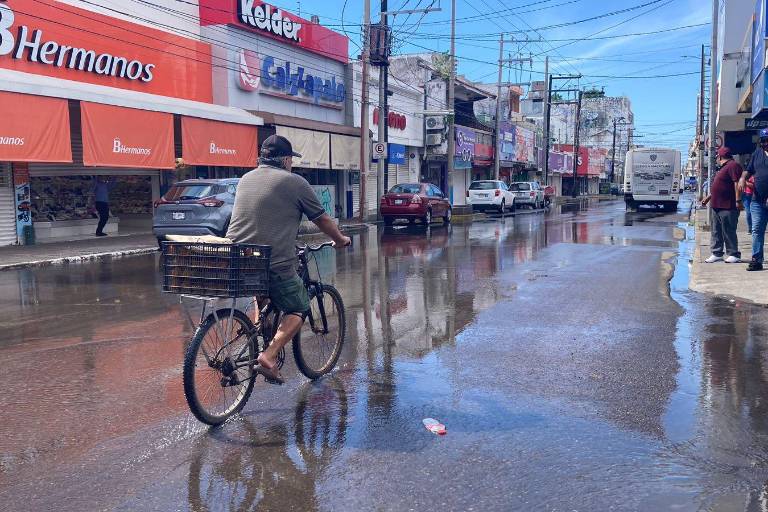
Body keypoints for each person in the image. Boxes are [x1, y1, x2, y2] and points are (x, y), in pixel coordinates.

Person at [226, 135, 351, 384]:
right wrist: (339, 239)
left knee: (262, 292)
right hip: (273, 262)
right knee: (299, 307)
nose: (291, 164)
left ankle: (259, 336)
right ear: (285, 160)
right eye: (290, 160)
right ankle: (269, 356)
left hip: (238, 258)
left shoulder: (245, 179)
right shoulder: (295, 182)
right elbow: (322, 219)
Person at [701, 146, 743, 263]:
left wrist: (738, 200)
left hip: (728, 205)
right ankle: (717, 253)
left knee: (728, 230)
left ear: (720, 156)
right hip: (716, 205)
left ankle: (733, 253)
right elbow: (718, 186)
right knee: (716, 230)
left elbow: (737, 184)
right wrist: (708, 198)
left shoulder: (733, 166)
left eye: (717, 157)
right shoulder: (723, 168)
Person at [740, 128, 768, 271]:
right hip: (757, 201)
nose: (766, 143)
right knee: (757, 230)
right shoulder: (757, 154)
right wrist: (742, 178)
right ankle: (756, 260)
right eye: (763, 141)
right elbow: (748, 169)